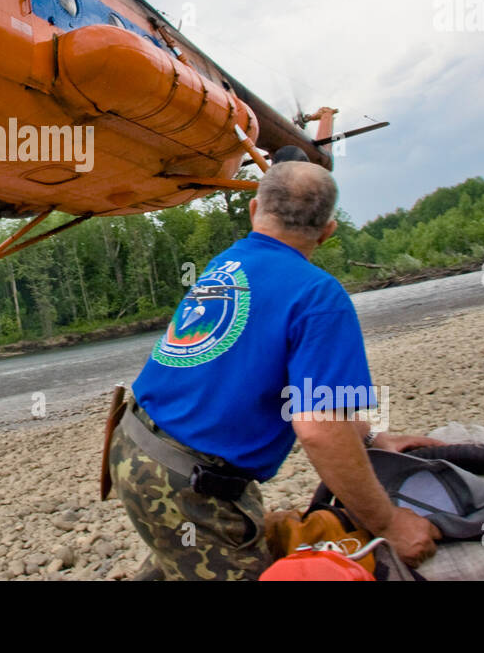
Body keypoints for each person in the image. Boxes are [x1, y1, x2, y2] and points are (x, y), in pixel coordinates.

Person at [107, 160, 443, 580]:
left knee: (181, 554)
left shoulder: (228, 263)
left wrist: (371, 437)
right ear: (328, 231)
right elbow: (320, 429)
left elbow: (301, 397)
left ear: (254, 210)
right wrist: (390, 524)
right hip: (189, 482)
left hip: (132, 444)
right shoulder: (320, 296)